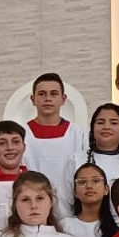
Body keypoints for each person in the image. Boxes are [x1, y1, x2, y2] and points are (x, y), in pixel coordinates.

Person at [59, 103, 119, 216]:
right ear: (92, 128)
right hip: (84, 227)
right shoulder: (76, 160)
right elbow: (64, 202)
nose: (106, 127)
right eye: (100, 122)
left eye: (114, 123)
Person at [21, 73, 87, 202]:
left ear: (63, 99)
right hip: (33, 208)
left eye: (54, 93)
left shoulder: (78, 134)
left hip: (70, 207)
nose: (48, 98)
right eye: (42, 94)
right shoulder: (21, 136)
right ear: (33, 99)